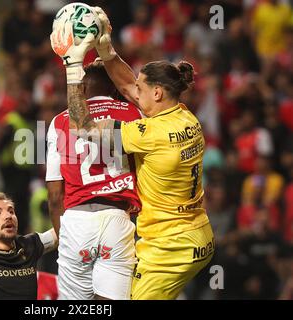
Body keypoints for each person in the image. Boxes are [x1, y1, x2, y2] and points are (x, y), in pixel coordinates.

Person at [50, 8, 214, 299]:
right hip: (197, 234)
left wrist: (73, 67)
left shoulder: (150, 134)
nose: (133, 91)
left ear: (158, 93)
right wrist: (107, 49)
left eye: (141, 87)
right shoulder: (186, 116)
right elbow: (126, 85)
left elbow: (82, 125)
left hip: (169, 248)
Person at [45, 60, 142, 300]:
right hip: (117, 218)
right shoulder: (133, 113)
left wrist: (63, 236)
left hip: (77, 221)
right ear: (114, 88)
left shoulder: (60, 121)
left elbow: (55, 195)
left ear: (84, 89)